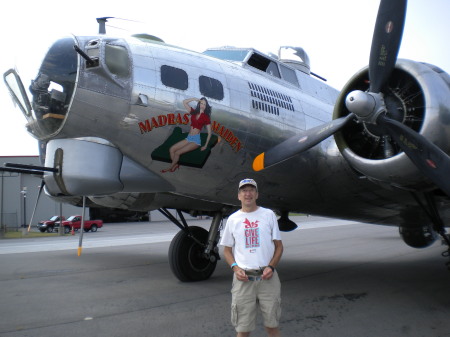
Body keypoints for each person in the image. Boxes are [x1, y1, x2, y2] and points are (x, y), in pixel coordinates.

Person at [220, 178, 284, 337]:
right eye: (244, 190)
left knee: (272, 327)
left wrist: (271, 267)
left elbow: (279, 246)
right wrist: (235, 267)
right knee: (242, 330)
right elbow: (226, 250)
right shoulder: (233, 219)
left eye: (251, 190)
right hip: (243, 280)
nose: (247, 193)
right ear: (239, 196)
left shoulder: (268, 215)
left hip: (267, 279)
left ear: (257, 194)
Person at [161, 97, 212, 173]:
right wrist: (194, 99)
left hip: (196, 140)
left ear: (206, 106)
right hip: (189, 138)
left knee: (178, 152)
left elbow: (210, 133)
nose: (202, 105)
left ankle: (170, 168)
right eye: (201, 103)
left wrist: (205, 145)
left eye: (204, 104)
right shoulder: (194, 112)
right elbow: (184, 102)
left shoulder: (206, 118)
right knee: (172, 149)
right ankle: (175, 165)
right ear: (199, 104)